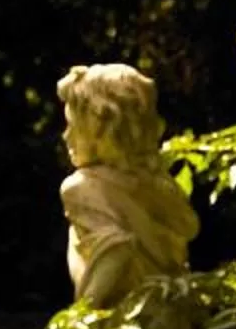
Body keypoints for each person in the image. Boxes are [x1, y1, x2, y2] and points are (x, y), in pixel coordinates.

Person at [57, 63, 199, 312]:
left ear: (100, 130)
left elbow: (116, 249)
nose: (66, 135)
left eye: (72, 124)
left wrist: (83, 316)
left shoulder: (81, 188)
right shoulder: (160, 184)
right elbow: (189, 227)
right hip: (174, 313)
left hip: (124, 318)